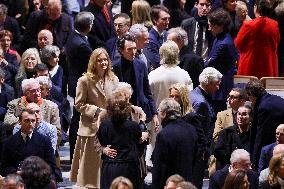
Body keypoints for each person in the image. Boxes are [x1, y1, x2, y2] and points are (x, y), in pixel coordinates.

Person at [70, 48, 119, 188]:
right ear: (93, 62)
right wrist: (97, 111)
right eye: (99, 60)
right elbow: (79, 104)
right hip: (91, 126)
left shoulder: (113, 79)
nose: (103, 62)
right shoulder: (84, 80)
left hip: (109, 126)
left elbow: (117, 99)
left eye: (105, 60)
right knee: (91, 168)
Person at [65, 12, 94, 161]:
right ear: (88, 26)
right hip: (80, 84)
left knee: (78, 118)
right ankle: (75, 155)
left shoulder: (73, 36)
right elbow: (93, 62)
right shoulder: (81, 44)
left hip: (74, 81)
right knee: (78, 120)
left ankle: (76, 155)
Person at [0, 109, 60, 182]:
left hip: (39, 177)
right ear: (19, 122)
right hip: (18, 178)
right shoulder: (10, 142)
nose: (30, 123)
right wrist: (16, 172)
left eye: (33, 121)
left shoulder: (45, 140)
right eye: (26, 120)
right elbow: (5, 166)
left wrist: (35, 173)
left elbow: (51, 164)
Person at [97, 94, 142, 189]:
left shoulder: (104, 126)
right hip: (129, 167)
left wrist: (104, 149)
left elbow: (101, 142)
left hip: (110, 166)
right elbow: (139, 146)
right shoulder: (134, 126)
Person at [152, 98, 198, 189]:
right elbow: (195, 157)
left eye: (159, 111)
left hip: (171, 183)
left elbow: (160, 167)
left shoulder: (164, 134)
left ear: (164, 113)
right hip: (188, 181)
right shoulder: (191, 129)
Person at [113, 34, 158, 124]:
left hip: (141, 111)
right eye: (129, 49)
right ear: (121, 50)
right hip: (123, 113)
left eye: (134, 48)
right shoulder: (115, 67)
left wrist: (154, 114)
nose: (133, 52)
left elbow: (147, 91)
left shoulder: (140, 64)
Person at [190, 67, 222, 189]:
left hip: (193, 150)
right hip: (198, 152)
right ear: (208, 83)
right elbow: (200, 131)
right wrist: (203, 150)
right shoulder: (201, 102)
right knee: (196, 182)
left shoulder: (192, 93)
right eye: (216, 84)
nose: (218, 88)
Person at [235, 0, 280, 79]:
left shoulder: (248, 25)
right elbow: (277, 42)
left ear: (255, 8)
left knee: (248, 90)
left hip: (249, 66)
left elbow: (237, 44)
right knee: (266, 89)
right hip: (268, 65)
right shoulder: (274, 24)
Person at [246, 80, 284, 170]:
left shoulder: (263, 107)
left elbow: (260, 136)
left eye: (249, 96)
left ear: (252, 94)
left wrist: (254, 160)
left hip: (272, 148)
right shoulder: (278, 98)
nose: (249, 99)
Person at [206, 8, 238, 113]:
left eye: (210, 25)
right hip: (220, 85)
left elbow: (210, 62)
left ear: (219, 26)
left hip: (221, 88)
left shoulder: (223, 43)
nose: (209, 29)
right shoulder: (221, 38)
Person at [148, 40, 193, 108]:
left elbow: (149, 99)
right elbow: (188, 99)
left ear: (161, 54)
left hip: (159, 116)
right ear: (177, 54)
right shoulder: (185, 75)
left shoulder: (153, 75)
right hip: (179, 116)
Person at [214, 105, 253, 170]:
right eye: (239, 114)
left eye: (244, 114)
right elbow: (218, 151)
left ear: (251, 117)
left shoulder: (254, 134)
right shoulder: (226, 133)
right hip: (229, 167)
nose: (240, 117)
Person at [143, 5, 170, 70]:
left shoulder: (167, 34)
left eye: (168, 18)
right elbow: (156, 62)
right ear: (155, 20)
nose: (167, 21)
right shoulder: (149, 39)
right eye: (164, 19)